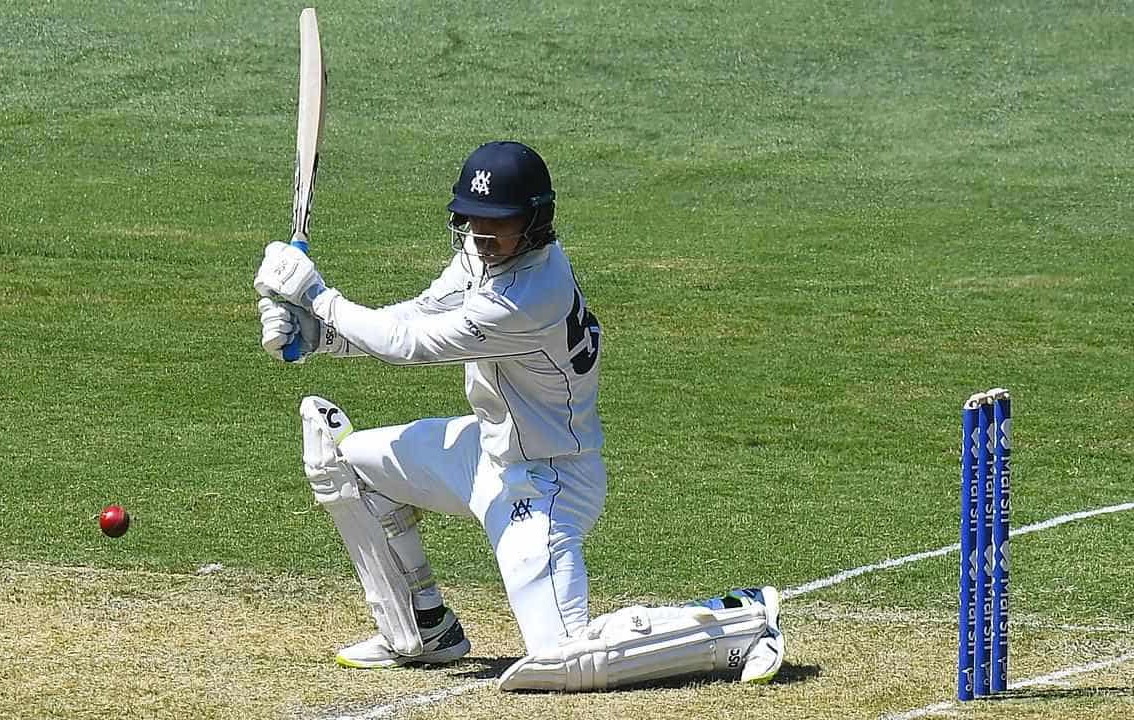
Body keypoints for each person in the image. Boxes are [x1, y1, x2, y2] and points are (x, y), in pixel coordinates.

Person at [252, 141, 785, 691]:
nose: (483, 236)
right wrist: (322, 337)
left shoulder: (530, 295)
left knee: (561, 662)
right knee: (344, 463)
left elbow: (409, 344)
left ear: (536, 221)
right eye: (473, 222)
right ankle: (421, 629)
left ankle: (739, 622)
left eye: (498, 224)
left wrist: (315, 294)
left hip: (547, 481)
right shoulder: (482, 255)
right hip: (484, 452)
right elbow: (417, 315)